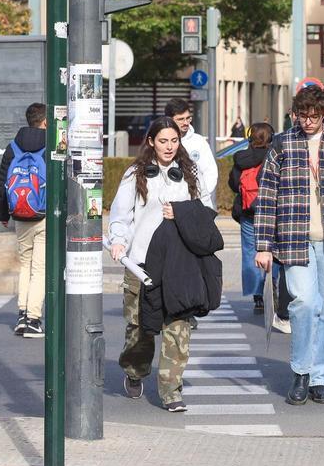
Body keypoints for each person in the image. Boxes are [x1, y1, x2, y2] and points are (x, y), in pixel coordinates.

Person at [253, 85, 324, 406]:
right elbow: (266, 199)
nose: (308, 121)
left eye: (314, 116)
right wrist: (262, 245)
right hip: (294, 239)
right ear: (295, 115)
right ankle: (301, 371)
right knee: (303, 302)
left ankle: (320, 378)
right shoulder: (282, 145)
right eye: (302, 115)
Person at [107, 117, 210, 412]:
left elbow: (205, 214)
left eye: (174, 141)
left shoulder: (190, 174)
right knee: (139, 329)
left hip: (179, 265)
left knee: (178, 329)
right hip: (141, 265)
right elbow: (120, 215)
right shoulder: (135, 174)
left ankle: (171, 391)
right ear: (151, 141)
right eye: (163, 141)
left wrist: (182, 215)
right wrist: (117, 240)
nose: (169, 147)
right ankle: (135, 370)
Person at [0, 102, 48, 338]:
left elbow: (1, 182)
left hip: (20, 214)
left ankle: (22, 314)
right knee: (40, 269)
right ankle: (34, 319)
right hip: (43, 214)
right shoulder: (51, 146)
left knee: (25, 266)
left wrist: (3, 214)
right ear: (45, 122)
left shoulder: (13, 147)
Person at [229, 122, 274, 314]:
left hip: (248, 212)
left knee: (250, 251)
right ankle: (274, 290)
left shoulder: (241, 158)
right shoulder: (274, 155)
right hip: (270, 211)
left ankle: (257, 295)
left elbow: (233, 183)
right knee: (273, 250)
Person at [164, 98, 218, 207]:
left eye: (188, 118)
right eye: (180, 119)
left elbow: (210, 172)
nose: (185, 123)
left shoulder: (199, 142)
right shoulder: (160, 141)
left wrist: (200, 196)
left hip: (196, 204)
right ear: (169, 119)